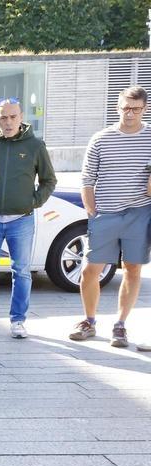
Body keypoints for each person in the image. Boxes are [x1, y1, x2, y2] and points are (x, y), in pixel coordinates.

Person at [0, 98, 56, 339]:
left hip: (21, 220)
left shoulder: (35, 145)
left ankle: (18, 321)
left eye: (13, 117)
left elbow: (49, 180)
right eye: (3, 117)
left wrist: (33, 202)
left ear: (21, 117)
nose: (8, 122)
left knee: (22, 271)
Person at [73, 86, 151, 348]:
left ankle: (120, 326)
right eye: (124, 108)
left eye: (135, 109)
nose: (129, 114)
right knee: (90, 269)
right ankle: (89, 321)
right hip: (105, 213)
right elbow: (87, 179)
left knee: (132, 268)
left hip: (139, 212)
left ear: (145, 108)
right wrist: (92, 211)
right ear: (117, 107)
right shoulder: (101, 138)